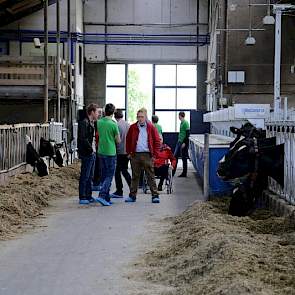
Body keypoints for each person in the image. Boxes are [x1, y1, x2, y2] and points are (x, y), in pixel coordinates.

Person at [125, 108, 161, 203]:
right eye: (138, 117)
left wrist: (155, 155)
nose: (140, 118)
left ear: (145, 117)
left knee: (150, 176)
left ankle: (155, 195)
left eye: (142, 117)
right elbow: (128, 140)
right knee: (135, 176)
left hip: (147, 155)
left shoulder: (151, 127)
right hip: (135, 155)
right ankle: (132, 196)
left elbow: (157, 141)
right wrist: (129, 152)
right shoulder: (133, 127)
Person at [95, 103, 120, 206]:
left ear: (105, 111)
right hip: (111, 152)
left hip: (101, 151)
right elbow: (118, 140)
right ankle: (102, 195)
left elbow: (98, 135)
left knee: (104, 175)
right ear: (113, 112)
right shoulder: (114, 124)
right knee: (110, 175)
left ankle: (106, 198)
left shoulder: (99, 122)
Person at [77, 103, 99, 205]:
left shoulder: (92, 123)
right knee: (85, 175)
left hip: (92, 152)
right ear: (92, 112)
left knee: (90, 176)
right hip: (87, 153)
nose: (98, 114)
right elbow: (83, 138)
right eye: (97, 112)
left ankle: (89, 195)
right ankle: (82, 196)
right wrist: (90, 150)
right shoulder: (84, 123)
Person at [111, 109, 131, 198]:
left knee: (118, 171)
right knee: (124, 170)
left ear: (115, 116)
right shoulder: (128, 124)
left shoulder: (116, 125)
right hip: (127, 151)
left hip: (119, 151)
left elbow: (116, 140)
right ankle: (131, 188)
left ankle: (119, 191)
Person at [174, 111, 190, 177]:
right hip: (179, 141)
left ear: (181, 116)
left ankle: (184, 173)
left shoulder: (186, 123)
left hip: (183, 142)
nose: (178, 117)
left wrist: (185, 143)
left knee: (183, 157)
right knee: (175, 156)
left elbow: (187, 134)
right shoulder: (182, 123)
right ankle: (173, 171)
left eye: (179, 116)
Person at [92, 107, 103, 191]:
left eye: (100, 112)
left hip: (98, 147)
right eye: (98, 112)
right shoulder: (95, 123)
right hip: (96, 147)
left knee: (98, 165)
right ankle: (96, 182)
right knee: (97, 165)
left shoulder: (98, 123)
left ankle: (97, 183)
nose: (99, 114)